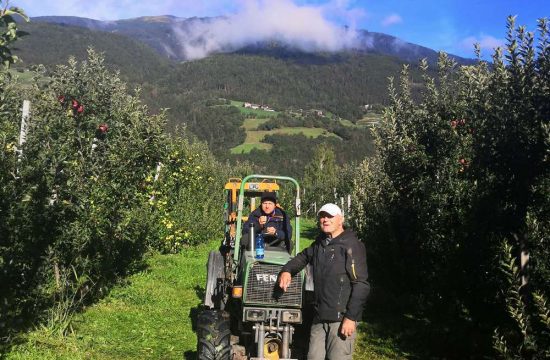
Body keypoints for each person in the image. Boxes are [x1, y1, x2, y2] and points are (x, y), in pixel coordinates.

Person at [278, 203, 369, 360]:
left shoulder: (352, 245)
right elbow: (302, 257)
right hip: (320, 316)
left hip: (341, 318)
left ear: (341, 219)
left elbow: (361, 285)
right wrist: (287, 270)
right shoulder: (321, 243)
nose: (325, 219)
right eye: (322, 216)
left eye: (330, 216)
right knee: (313, 357)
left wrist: (351, 317)